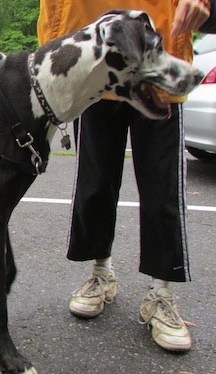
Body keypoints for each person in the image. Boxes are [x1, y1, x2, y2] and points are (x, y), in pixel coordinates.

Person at [38, 0, 214, 352]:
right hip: (97, 62)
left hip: (158, 56)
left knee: (161, 188)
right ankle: (101, 273)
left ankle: (161, 293)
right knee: (96, 182)